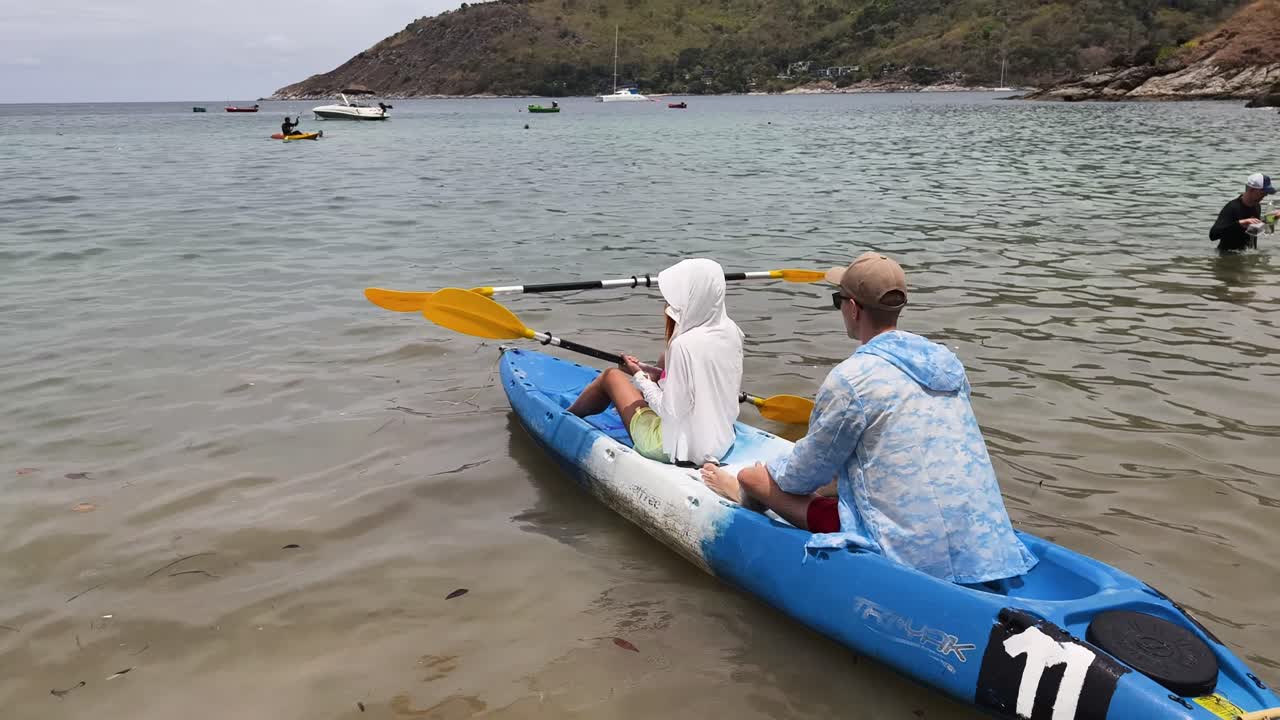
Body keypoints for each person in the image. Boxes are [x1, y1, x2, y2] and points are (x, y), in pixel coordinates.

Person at [701, 252, 1037, 585]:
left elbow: (796, 477)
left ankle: (743, 494)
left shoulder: (852, 379)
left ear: (853, 308)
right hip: (979, 533)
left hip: (903, 547)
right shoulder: (945, 362)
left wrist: (763, 476)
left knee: (754, 478)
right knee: (835, 475)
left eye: (838, 301)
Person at [567, 258, 744, 465]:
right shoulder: (732, 331)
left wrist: (638, 375)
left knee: (611, 376)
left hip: (675, 447)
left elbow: (668, 412)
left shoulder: (684, 346)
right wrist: (647, 371)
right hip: (721, 439)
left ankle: (565, 416)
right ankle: (630, 395)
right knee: (663, 359)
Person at [1210, 173, 1276, 253]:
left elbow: (1253, 229)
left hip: (1248, 255)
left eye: (1266, 194)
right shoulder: (1232, 208)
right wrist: (1239, 223)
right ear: (1251, 190)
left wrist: (1271, 218)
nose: (1264, 196)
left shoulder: (1256, 206)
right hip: (1228, 257)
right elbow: (1213, 235)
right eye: (1262, 193)